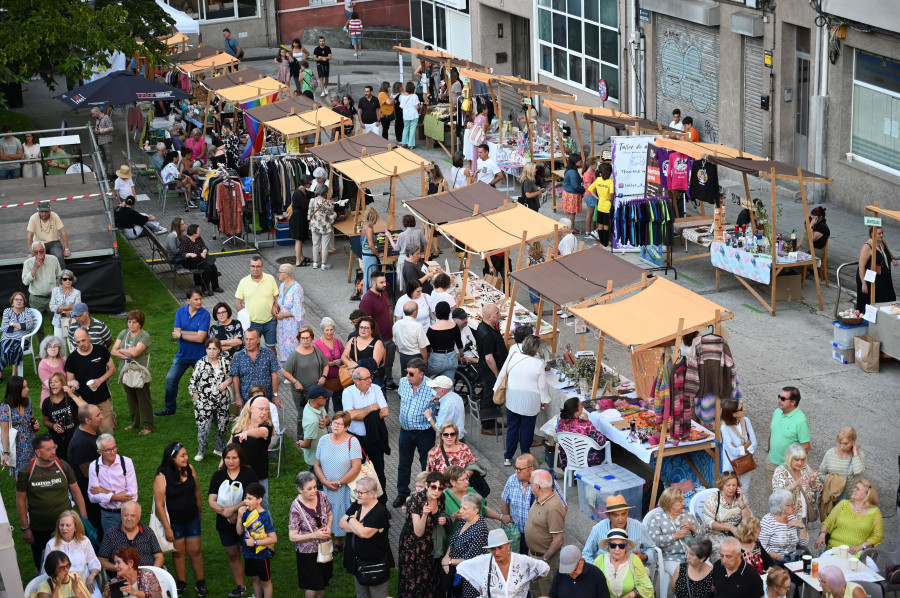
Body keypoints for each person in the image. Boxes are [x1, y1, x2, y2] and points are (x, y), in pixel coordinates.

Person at [18, 434, 88, 569]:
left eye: (54, 447)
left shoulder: (63, 465)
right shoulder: (26, 472)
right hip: (40, 528)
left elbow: (76, 491)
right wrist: (25, 528)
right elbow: (20, 501)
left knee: (71, 562)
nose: (54, 452)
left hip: (66, 526)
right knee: (44, 564)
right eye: (49, 449)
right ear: (38, 452)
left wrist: (83, 517)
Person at [153, 442, 207, 597]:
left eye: (186, 454)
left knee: (195, 551)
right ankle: (181, 582)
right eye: (182, 455)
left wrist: (199, 510)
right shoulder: (161, 477)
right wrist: (168, 528)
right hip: (174, 522)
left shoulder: (190, 469)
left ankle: (200, 582)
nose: (186, 458)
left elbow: (196, 491)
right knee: (178, 553)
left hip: (192, 518)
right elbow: (160, 505)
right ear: (172, 458)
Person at [208, 444, 257, 598]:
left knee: (249, 555)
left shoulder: (249, 474)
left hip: (246, 522)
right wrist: (227, 514)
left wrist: (233, 510)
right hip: (224, 524)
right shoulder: (218, 476)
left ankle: (258, 590)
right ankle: (240, 587)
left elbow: (251, 499)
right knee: (233, 555)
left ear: (240, 458)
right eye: (227, 458)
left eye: (234, 457)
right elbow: (211, 500)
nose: (230, 461)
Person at [496, 336, 550, 466]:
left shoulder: (513, 356)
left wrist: (496, 389)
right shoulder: (539, 364)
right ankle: (525, 455)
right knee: (527, 429)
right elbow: (542, 386)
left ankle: (508, 457)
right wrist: (545, 401)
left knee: (512, 428)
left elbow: (502, 374)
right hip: (530, 401)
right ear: (536, 348)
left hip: (513, 398)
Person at [313, 411, 361, 552]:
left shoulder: (352, 441)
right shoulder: (324, 440)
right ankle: (336, 541)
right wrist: (324, 482)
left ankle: (348, 543)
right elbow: (317, 464)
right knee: (328, 512)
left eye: (340, 424)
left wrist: (340, 482)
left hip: (345, 487)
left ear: (346, 427)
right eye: (334, 422)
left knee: (345, 511)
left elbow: (356, 467)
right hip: (327, 487)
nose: (336, 426)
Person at [339, 476, 394, 598]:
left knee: (378, 595)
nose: (357, 495)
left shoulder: (379, 512)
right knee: (362, 595)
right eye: (356, 491)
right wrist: (359, 527)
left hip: (374, 564)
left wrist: (352, 520)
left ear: (371, 493)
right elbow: (341, 523)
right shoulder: (358, 504)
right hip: (358, 562)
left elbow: (364, 534)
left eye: (360, 492)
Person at [500, 454, 566, 555]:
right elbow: (504, 499)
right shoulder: (512, 480)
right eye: (515, 467)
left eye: (519, 469)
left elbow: (564, 507)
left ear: (531, 469)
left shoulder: (546, 482)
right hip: (519, 536)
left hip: (541, 542)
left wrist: (554, 527)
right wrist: (506, 516)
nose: (516, 471)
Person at [157, 290, 209, 417]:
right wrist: (194, 333)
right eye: (196, 299)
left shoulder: (205, 314)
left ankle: (207, 410)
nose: (199, 302)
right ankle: (170, 409)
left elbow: (201, 338)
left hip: (200, 356)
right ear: (188, 300)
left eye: (200, 299)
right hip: (182, 355)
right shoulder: (180, 312)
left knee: (204, 383)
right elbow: (176, 333)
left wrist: (182, 335)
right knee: (170, 380)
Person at [456, 528, 549, 598]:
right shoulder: (484, 561)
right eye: (493, 549)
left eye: (500, 547)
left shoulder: (522, 561)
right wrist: (480, 584)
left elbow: (544, 568)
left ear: (508, 547)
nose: (496, 552)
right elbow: (461, 567)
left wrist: (527, 579)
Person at [397, 471, 448, 598]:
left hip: (430, 543)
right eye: (433, 487)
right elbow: (418, 532)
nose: (436, 491)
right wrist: (424, 515)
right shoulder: (415, 500)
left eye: (440, 488)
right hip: (412, 545)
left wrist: (444, 519)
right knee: (414, 580)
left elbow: (441, 514)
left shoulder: (441, 498)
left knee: (431, 578)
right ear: (427, 485)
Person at [393, 358, 436, 506]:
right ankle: (402, 493)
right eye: (407, 372)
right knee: (403, 464)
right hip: (405, 431)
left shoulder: (431, 387)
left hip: (424, 432)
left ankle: (426, 495)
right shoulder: (404, 383)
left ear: (421, 374)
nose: (408, 376)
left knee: (426, 465)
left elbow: (438, 408)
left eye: (411, 374)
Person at [342, 367, 389, 498]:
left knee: (379, 472)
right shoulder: (348, 392)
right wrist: (372, 408)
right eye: (366, 378)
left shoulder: (376, 389)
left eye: (370, 377)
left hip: (375, 437)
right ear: (357, 381)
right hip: (356, 439)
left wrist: (359, 413)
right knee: (357, 472)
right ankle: (359, 504)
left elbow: (385, 412)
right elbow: (349, 415)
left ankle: (381, 503)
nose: (370, 380)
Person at [288, 471, 333, 598]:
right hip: (307, 553)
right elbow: (292, 536)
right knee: (313, 586)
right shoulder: (296, 508)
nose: (314, 491)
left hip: (324, 548)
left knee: (322, 583)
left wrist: (328, 527)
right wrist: (315, 535)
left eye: (315, 487)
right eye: (309, 489)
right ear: (300, 490)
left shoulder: (322, 496)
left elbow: (330, 514)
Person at [188, 338, 233, 460]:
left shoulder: (224, 362)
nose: (211, 351)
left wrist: (225, 383)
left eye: (214, 349)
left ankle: (219, 449)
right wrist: (196, 398)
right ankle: (201, 452)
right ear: (206, 349)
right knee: (204, 427)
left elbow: (231, 377)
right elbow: (192, 383)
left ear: (219, 350)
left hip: (222, 400)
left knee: (222, 425)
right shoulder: (201, 363)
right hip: (205, 402)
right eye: (209, 348)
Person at [281, 326, 328, 440]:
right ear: (299, 339)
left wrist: (324, 377)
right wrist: (295, 382)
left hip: (315, 390)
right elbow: (285, 371)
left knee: (319, 411)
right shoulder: (295, 355)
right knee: (303, 415)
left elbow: (326, 364)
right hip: (300, 391)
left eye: (307, 338)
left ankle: (318, 435)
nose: (305, 340)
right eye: (303, 338)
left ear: (311, 338)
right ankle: (301, 438)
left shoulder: (316, 351)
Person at [65, 329, 116, 435]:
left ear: (89, 337)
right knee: (90, 432)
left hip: (103, 398)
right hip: (84, 403)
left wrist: (101, 380)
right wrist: (73, 385)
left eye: (83, 340)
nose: (81, 344)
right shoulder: (72, 359)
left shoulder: (101, 350)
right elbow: (69, 381)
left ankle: (108, 449)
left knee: (106, 429)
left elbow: (112, 369)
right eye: (78, 342)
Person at [110, 310, 152, 435]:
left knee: (143, 399)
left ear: (140, 323)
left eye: (134, 322)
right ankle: (135, 423)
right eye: (129, 322)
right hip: (126, 370)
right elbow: (113, 351)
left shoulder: (144, 336)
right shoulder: (123, 333)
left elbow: (135, 353)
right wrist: (127, 352)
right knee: (131, 398)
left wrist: (121, 351)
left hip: (140, 372)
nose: (131, 325)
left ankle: (148, 425)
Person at [525, 468, 567, 596]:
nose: (529, 485)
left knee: (546, 593)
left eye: (530, 483)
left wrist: (544, 559)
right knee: (535, 591)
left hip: (545, 560)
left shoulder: (553, 507)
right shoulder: (539, 498)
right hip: (534, 556)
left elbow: (558, 540)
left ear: (537, 486)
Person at [644, 486, 701, 577]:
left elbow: (703, 537)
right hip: (670, 557)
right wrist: (674, 536)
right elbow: (652, 541)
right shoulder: (657, 518)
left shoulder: (687, 515)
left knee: (708, 570)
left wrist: (693, 528)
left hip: (694, 555)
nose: (683, 504)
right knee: (684, 575)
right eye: (680, 501)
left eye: (683, 500)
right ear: (670, 502)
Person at [816, 478, 883, 554]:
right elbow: (827, 523)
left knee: (869, 566)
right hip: (835, 548)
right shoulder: (843, 504)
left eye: (857, 489)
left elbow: (877, 535)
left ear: (867, 494)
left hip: (858, 552)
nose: (854, 490)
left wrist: (862, 546)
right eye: (855, 487)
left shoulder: (875, 512)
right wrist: (822, 534)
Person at [442, 492, 489, 598]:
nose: (460, 511)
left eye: (464, 508)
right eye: (461, 507)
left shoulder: (480, 529)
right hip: (457, 572)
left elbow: (473, 558)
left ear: (476, 510)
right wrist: (446, 557)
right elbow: (454, 540)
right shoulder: (465, 521)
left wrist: (449, 561)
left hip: (469, 579)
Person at [231, 394, 275, 507]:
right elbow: (230, 445)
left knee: (262, 507)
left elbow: (259, 432)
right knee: (240, 505)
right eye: (261, 409)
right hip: (239, 473)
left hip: (258, 476)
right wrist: (221, 466)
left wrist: (247, 433)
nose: (264, 412)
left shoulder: (267, 426)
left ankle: (267, 525)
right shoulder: (240, 425)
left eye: (266, 409)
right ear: (251, 408)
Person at [87, 434, 137, 532]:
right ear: (100, 452)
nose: (113, 452)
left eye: (114, 447)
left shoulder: (126, 462)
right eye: (108, 450)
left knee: (133, 545)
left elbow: (132, 494)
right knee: (115, 547)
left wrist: (105, 492)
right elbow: (92, 497)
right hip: (108, 516)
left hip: (129, 512)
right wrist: (116, 496)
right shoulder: (94, 466)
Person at [767, 387, 811, 496]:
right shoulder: (777, 412)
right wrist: (769, 452)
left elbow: (806, 447)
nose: (779, 400)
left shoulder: (801, 421)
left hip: (788, 469)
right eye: (779, 397)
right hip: (771, 463)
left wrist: (793, 465)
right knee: (772, 497)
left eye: (782, 398)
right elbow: (773, 432)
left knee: (786, 499)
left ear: (793, 402)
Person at [97, 501, 164, 573]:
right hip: (122, 577)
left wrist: (152, 572)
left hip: (147, 574)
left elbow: (159, 556)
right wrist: (120, 568)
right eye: (126, 515)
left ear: (139, 516)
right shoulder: (111, 534)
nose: (129, 519)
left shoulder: (147, 531)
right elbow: (102, 560)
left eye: (133, 515)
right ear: (121, 515)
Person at [583, 495, 653, 563]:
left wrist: (644, 556)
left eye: (623, 514)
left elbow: (652, 548)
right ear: (608, 516)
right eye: (616, 515)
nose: (620, 519)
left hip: (632, 571)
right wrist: (597, 571)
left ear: (627, 512)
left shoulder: (638, 527)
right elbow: (586, 554)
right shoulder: (598, 529)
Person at [236, 482, 276, 598]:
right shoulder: (245, 513)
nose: (246, 501)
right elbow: (239, 532)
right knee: (254, 578)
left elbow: (273, 538)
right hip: (248, 553)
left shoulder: (264, 516)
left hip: (261, 555)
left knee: (265, 581)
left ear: (259, 500)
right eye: (245, 498)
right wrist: (239, 517)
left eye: (249, 498)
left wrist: (255, 542)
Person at [68, 405, 103, 534]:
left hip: (99, 492)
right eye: (98, 415)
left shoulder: (94, 430)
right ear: (87, 420)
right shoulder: (81, 443)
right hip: (91, 496)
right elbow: (89, 473)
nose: (102, 417)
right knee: (99, 530)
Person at [702, 471, 752, 559]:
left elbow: (748, 519)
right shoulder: (713, 498)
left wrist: (741, 502)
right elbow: (709, 523)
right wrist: (730, 528)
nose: (731, 488)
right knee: (726, 556)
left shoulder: (740, 497)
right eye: (728, 485)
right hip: (716, 534)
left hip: (736, 533)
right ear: (721, 486)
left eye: (734, 485)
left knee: (748, 552)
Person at [591, 529, 654, 598]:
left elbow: (646, 588)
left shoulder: (634, 560)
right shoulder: (600, 559)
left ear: (626, 547)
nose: (617, 549)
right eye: (613, 545)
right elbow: (590, 585)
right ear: (608, 546)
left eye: (621, 546)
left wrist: (632, 594)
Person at [235, 256, 280, 353]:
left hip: (270, 321)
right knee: (253, 349)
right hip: (253, 323)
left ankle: (273, 368)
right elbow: (238, 303)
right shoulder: (243, 282)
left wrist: (276, 313)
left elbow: (277, 298)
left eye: (258, 266)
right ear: (249, 267)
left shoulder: (270, 279)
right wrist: (245, 318)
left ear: (262, 266)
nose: (255, 269)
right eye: (253, 266)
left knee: (271, 348)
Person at [475, 303, 507, 434]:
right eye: (497, 314)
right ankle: (487, 426)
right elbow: (489, 358)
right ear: (489, 316)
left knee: (490, 394)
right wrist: (497, 374)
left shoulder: (485, 326)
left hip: (489, 369)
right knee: (490, 396)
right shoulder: (487, 333)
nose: (499, 316)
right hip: (490, 371)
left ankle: (492, 420)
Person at [230, 329, 280, 410]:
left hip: (266, 399)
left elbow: (274, 375)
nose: (248, 342)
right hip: (247, 400)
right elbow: (235, 378)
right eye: (246, 339)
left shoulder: (269, 353)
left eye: (251, 339)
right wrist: (238, 397)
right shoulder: (238, 356)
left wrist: (275, 395)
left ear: (258, 340)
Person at [772, 443, 822, 523]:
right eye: (797, 459)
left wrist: (813, 481)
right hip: (787, 517)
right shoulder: (780, 471)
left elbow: (816, 490)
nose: (800, 463)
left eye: (802, 459)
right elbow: (777, 495)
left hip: (803, 515)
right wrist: (795, 485)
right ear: (789, 458)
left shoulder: (805, 468)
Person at [819, 426, 866, 511]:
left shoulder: (859, 455)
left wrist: (855, 452)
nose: (841, 446)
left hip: (850, 500)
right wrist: (832, 481)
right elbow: (820, 474)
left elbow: (858, 471)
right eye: (840, 443)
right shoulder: (830, 454)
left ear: (853, 442)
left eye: (845, 444)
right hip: (832, 498)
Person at [441, 465, 502, 529]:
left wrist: (501, 517)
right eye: (463, 480)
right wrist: (453, 518)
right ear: (452, 482)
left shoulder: (471, 490)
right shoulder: (443, 499)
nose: (467, 482)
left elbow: (483, 508)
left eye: (467, 478)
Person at [21, 241, 60, 343]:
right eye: (36, 252)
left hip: (52, 297)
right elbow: (25, 282)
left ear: (45, 250)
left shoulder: (53, 259)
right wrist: (35, 268)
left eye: (41, 251)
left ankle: (58, 349)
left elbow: (59, 277)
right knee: (38, 327)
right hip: (36, 298)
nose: (39, 254)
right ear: (33, 252)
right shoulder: (28, 263)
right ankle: (41, 351)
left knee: (56, 325)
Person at [555, 397, 607, 469]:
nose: (583, 406)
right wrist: (587, 421)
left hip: (567, 461)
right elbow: (602, 442)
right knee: (605, 448)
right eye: (580, 406)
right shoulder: (585, 424)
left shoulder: (559, 423)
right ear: (576, 413)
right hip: (587, 461)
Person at [41, 372, 84, 459]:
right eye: (51, 382)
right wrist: (53, 426)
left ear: (63, 384)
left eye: (56, 381)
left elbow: (86, 407)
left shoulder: (71, 397)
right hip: (59, 441)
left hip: (75, 437)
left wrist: (71, 394)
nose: (53, 384)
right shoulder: (47, 402)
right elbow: (44, 421)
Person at [759, 489, 809, 564]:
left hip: (793, 560)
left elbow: (804, 544)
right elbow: (762, 547)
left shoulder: (792, 518)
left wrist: (802, 526)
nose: (794, 507)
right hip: (775, 562)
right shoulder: (767, 522)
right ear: (781, 509)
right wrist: (779, 558)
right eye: (791, 505)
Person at [1, 375, 36, 476]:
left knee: (35, 475)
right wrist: (6, 453)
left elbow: (31, 419)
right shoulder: (5, 408)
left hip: (32, 443)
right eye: (24, 387)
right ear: (16, 390)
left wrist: (34, 425)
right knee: (22, 479)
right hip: (17, 449)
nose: (28, 389)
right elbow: (4, 431)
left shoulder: (28, 402)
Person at [856, 226, 897, 311]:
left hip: (884, 277)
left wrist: (893, 259)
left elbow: (888, 252)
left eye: (882, 233)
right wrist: (863, 283)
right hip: (871, 277)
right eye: (879, 234)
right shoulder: (867, 246)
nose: (881, 235)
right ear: (872, 234)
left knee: (888, 297)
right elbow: (861, 266)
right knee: (873, 299)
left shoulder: (882, 242)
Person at [720, 398, 757, 490]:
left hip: (745, 462)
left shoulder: (746, 421)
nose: (744, 409)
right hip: (731, 465)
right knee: (730, 492)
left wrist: (740, 448)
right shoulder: (725, 428)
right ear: (734, 414)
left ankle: (743, 505)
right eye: (741, 408)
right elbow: (733, 452)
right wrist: (747, 445)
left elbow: (754, 442)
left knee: (744, 490)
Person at [341, 315, 386, 387]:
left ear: (372, 330)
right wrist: (350, 365)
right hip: (354, 380)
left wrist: (356, 366)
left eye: (366, 328)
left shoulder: (377, 343)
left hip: (371, 381)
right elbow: (343, 356)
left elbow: (374, 363)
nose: (363, 330)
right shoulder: (353, 340)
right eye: (361, 327)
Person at [274, 264, 305, 361]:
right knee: (284, 346)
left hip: (293, 324)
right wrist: (275, 307)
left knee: (293, 346)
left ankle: (296, 370)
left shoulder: (296, 288)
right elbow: (280, 301)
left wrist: (282, 315)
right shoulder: (282, 285)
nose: (278, 274)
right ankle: (287, 370)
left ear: (286, 274)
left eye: (280, 272)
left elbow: (298, 310)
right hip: (283, 324)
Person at [0, 293, 35, 377]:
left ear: (24, 302)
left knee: (15, 348)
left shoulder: (27, 311)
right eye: (16, 299)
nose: (19, 301)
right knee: (3, 349)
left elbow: (28, 326)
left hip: (22, 339)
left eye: (21, 300)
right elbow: (4, 328)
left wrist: (11, 323)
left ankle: (14, 374)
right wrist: (20, 326)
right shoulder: (7, 311)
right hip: (7, 338)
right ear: (12, 301)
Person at [178, 224, 220, 294]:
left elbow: (204, 246)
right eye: (198, 231)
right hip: (190, 261)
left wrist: (204, 252)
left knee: (213, 266)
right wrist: (190, 254)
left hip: (199, 258)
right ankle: (205, 289)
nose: (200, 232)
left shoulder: (198, 238)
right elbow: (182, 254)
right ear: (194, 233)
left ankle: (215, 287)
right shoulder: (185, 241)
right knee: (206, 268)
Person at [313, 317, 345, 411]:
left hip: (338, 380)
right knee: (324, 408)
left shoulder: (338, 342)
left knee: (339, 407)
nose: (329, 332)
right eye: (327, 330)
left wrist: (341, 361)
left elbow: (344, 356)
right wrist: (330, 363)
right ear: (322, 330)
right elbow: (316, 361)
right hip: (325, 382)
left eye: (331, 329)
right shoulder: (316, 344)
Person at [27, 200, 71, 267]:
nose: (44, 214)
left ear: (50, 210)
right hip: (39, 243)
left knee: (58, 256)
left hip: (54, 242)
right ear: (38, 211)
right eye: (42, 211)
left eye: (46, 211)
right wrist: (31, 252)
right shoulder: (33, 218)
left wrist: (66, 249)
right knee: (37, 259)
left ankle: (62, 275)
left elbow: (63, 232)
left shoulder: (55, 216)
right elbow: (30, 236)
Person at [425, 303, 462, 380]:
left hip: (437, 359)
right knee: (448, 385)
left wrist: (426, 360)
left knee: (424, 378)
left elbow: (428, 348)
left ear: (436, 313)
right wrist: (462, 355)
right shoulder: (454, 326)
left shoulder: (432, 329)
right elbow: (460, 345)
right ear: (449, 312)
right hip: (452, 358)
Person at [423, 375, 465, 440]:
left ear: (442, 391)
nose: (432, 389)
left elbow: (439, 430)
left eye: (434, 388)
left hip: (452, 441)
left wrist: (429, 417)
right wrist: (439, 402)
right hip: (457, 436)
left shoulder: (447, 405)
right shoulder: (456, 396)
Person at [393, 301, 430, 376]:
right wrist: (425, 360)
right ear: (415, 312)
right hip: (415, 357)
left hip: (403, 356)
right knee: (417, 380)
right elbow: (423, 347)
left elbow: (395, 342)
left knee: (405, 377)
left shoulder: (396, 324)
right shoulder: (418, 326)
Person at [298, 385, 331, 465]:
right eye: (325, 397)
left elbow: (327, 417)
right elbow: (307, 444)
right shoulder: (312, 421)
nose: (327, 398)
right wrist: (300, 443)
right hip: (316, 461)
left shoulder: (314, 405)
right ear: (317, 399)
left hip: (324, 455)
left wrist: (327, 421)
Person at [49, 271, 80, 352]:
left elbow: (77, 308)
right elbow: (52, 306)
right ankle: (63, 364)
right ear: (61, 280)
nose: (68, 281)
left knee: (73, 347)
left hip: (71, 322)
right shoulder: (55, 290)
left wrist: (61, 309)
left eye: (70, 279)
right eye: (65, 279)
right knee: (60, 347)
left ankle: (74, 364)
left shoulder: (77, 292)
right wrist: (69, 307)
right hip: (58, 322)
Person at [307, 187, 336, 271]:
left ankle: (315, 263)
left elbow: (309, 214)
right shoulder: (328, 203)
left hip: (314, 226)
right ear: (325, 193)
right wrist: (334, 212)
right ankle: (323, 264)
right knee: (325, 245)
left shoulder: (312, 200)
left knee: (315, 244)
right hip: (325, 227)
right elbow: (331, 216)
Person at [288, 176, 312, 270]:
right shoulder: (298, 193)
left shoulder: (303, 191)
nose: (310, 184)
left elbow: (309, 194)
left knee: (300, 239)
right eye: (310, 183)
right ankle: (298, 261)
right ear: (306, 183)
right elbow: (305, 205)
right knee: (298, 239)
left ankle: (301, 258)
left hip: (301, 218)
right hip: (297, 218)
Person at [39, 337, 67, 404]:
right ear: (45, 349)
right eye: (49, 347)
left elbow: (69, 378)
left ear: (59, 348)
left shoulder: (63, 361)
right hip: (50, 396)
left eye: (55, 346)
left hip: (65, 392)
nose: (53, 349)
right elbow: (51, 387)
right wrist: (69, 384)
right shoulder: (42, 365)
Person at [562, 153, 585, 234]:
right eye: (579, 161)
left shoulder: (569, 170)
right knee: (572, 213)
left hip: (568, 193)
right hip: (572, 195)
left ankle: (570, 228)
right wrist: (583, 189)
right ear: (574, 161)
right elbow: (576, 186)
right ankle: (571, 230)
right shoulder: (573, 172)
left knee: (570, 213)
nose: (580, 162)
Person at [88, 107, 114, 178]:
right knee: (103, 157)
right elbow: (98, 128)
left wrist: (100, 131)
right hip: (100, 141)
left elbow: (111, 128)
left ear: (97, 112)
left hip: (106, 141)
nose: (92, 115)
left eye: (93, 114)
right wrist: (96, 130)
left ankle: (111, 174)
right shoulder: (97, 120)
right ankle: (105, 172)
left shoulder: (106, 117)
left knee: (108, 158)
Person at [399, 81, 421, 149]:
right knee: (412, 129)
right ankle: (411, 144)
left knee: (405, 128)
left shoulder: (402, 96)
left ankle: (404, 143)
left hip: (406, 114)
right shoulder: (414, 96)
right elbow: (417, 107)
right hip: (413, 114)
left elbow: (401, 106)